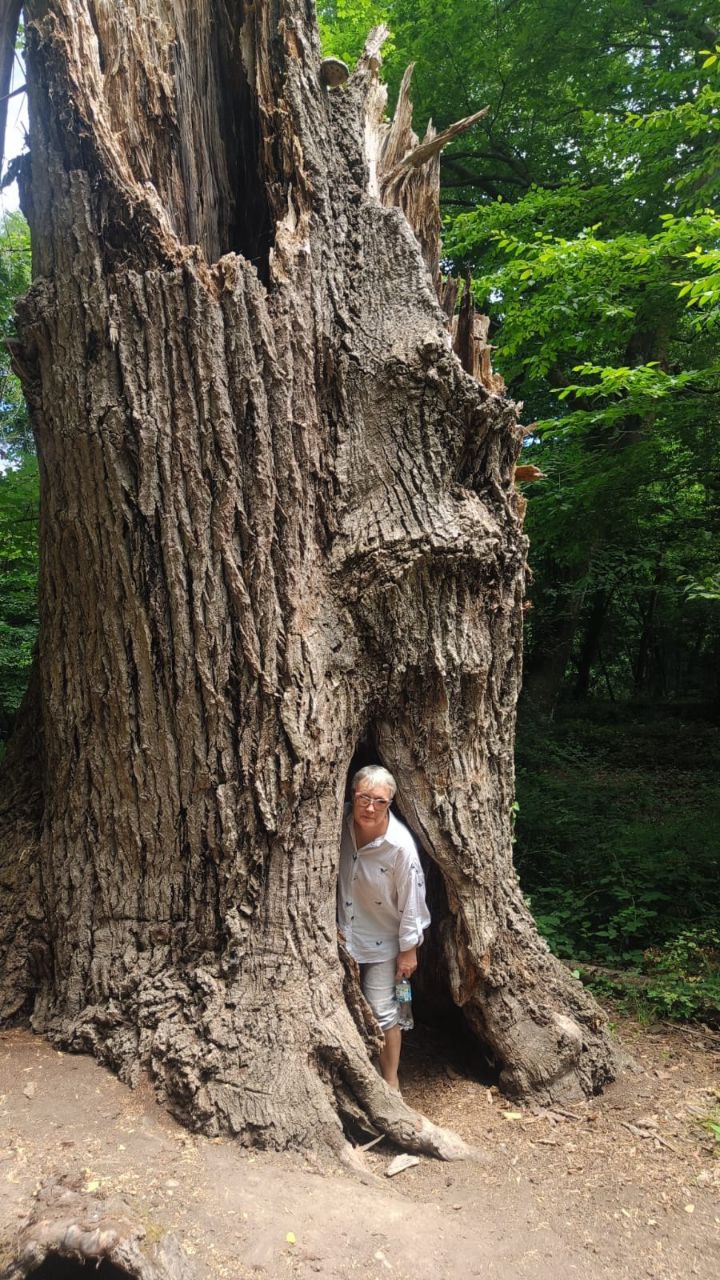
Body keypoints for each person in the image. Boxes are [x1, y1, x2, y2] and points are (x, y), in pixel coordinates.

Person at [337, 765, 430, 1093]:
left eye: (379, 801)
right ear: (352, 795)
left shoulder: (400, 847)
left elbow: (413, 900)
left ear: (390, 802)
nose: (370, 807)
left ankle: (390, 1080)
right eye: (363, 797)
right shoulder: (338, 823)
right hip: (339, 933)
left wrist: (409, 949)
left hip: (383, 941)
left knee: (382, 1009)